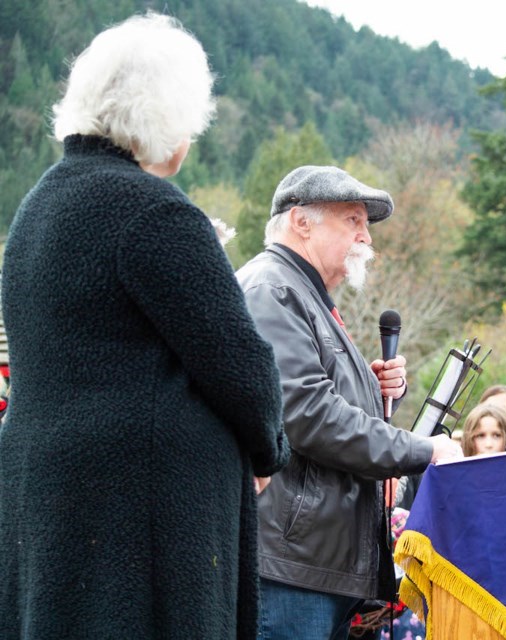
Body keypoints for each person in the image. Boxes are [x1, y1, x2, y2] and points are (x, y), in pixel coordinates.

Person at [0, 14, 291, 639]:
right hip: (142, 528)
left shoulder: (37, 208)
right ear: (165, 118)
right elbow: (243, 368)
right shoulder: (154, 213)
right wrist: (268, 446)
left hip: (49, 505)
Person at [237, 165, 462, 640]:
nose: (367, 237)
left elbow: (317, 409)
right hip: (290, 568)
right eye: (353, 220)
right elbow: (307, 416)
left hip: (310, 564)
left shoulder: (303, 295)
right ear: (301, 222)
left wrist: (377, 394)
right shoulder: (273, 289)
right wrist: (424, 449)